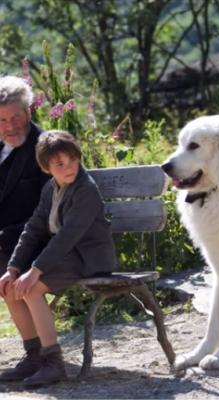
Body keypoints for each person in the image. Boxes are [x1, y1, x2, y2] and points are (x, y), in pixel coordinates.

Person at [0, 130, 116, 386]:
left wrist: (36, 270)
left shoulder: (86, 190)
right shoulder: (50, 188)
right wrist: (14, 267)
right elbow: (33, 228)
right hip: (67, 255)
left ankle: (54, 363)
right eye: (59, 164)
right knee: (11, 287)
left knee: (31, 289)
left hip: (89, 257)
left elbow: (68, 236)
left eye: (72, 160)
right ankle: (33, 356)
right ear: (46, 168)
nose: (68, 168)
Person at [0, 75, 49, 381]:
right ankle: (35, 354)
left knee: (6, 272)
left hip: (39, 239)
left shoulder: (44, 147)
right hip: (7, 240)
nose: (10, 125)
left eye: (16, 116)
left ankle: (38, 355)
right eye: (2, 119)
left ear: (29, 113)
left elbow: (48, 212)